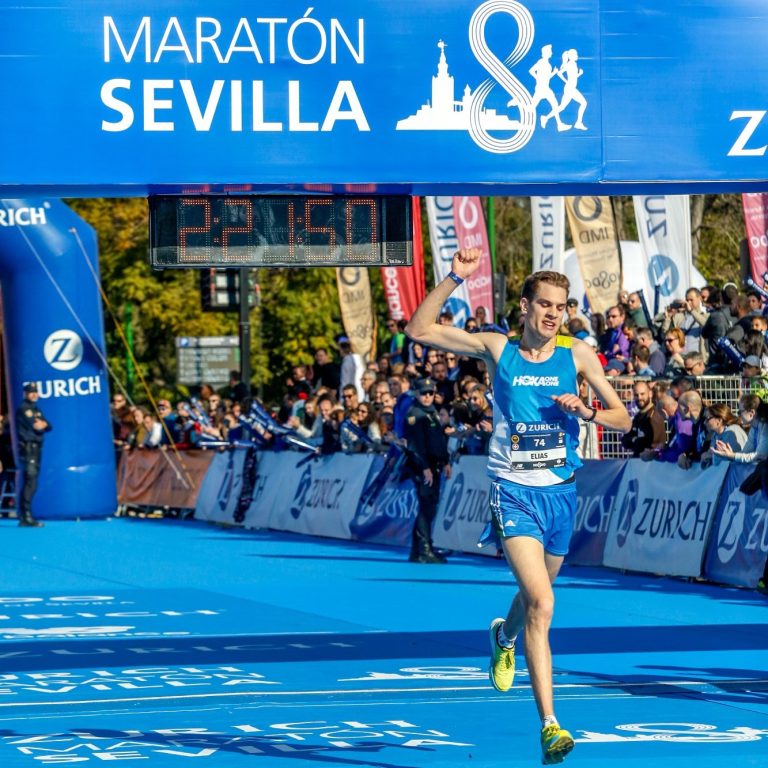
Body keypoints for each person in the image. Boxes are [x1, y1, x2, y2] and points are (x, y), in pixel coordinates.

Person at [406, 249, 630, 765]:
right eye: (545, 305)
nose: (554, 314)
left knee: (537, 598)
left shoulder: (577, 355)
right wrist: (455, 278)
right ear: (525, 307)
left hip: (561, 493)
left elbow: (622, 419)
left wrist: (588, 409)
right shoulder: (495, 346)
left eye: (562, 306)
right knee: (544, 605)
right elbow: (419, 330)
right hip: (513, 492)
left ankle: (502, 636)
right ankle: (550, 725)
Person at [403, 377, 451, 564]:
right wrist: (424, 468)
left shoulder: (430, 412)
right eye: (424, 393)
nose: (428, 396)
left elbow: (437, 441)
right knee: (426, 507)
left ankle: (421, 548)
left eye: (431, 393)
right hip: (423, 467)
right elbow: (415, 446)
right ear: (416, 393)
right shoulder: (415, 415)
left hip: (434, 465)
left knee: (429, 506)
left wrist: (445, 462)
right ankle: (423, 549)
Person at [15, 382, 52, 527]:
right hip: (28, 448)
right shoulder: (24, 408)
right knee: (31, 481)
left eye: (36, 391)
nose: (34, 394)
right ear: (25, 394)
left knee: (32, 481)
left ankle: (26, 515)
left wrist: (44, 424)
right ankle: (26, 515)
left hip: (36, 448)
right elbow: (35, 425)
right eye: (31, 392)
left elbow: (48, 425)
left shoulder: (36, 408)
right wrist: (42, 425)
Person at [712, 393, 768, 464]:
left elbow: (759, 456)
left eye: (740, 412)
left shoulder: (765, 427)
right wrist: (729, 454)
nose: (738, 415)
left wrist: (732, 455)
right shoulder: (754, 428)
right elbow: (746, 452)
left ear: (751, 413)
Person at [621, 380, 666, 457]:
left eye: (642, 394)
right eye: (636, 395)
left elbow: (654, 444)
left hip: (651, 464)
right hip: (638, 461)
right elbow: (625, 441)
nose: (639, 398)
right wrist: (635, 440)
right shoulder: (638, 416)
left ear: (650, 394)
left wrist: (635, 440)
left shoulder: (654, 416)